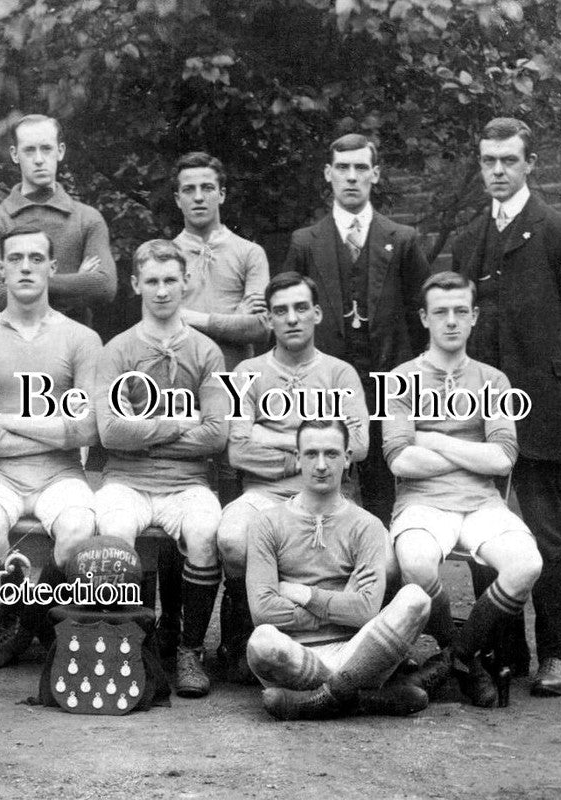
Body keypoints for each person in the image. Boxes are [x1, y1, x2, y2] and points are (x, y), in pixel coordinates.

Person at [451, 117, 561, 697]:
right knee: (485, 537)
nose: (497, 171)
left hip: (540, 405)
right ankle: (504, 650)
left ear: (529, 163)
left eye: (508, 161)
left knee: (546, 535)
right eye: (488, 161)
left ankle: (558, 655)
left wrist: (557, 382)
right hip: (482, 412)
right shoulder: (469, 241)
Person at [384, 271, 542, 708]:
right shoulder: (400, 379)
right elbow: (399, 459)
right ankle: (466, 658)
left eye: (460, 312)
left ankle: (458, 657)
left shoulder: (492, 379)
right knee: (414, 562)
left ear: (473, 317)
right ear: (424, 318)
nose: (450, 321)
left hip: (481, 504)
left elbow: (503, 458)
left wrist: (431, 439)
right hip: (422, 503)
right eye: (440, 312)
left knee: (526, 563)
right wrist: (471, 448)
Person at [0, 227, 103, 664]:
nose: (25, 266)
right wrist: (50, 428)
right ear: (0, 269)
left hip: (61, 475)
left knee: (77, 532)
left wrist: (4, 419)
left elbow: (86, 431)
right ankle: (33, 620)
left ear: (52, 268)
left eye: (36, 258)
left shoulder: (81, 339)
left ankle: (20, 625)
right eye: (15, 258)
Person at [216, 271, 369, 682]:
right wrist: (306, 448)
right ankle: (241, 627)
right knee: (231, 537)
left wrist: (274, 433)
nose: (292, 318)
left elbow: (357, 446)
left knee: (380, 559)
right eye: (280, 311)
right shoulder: (248, 371)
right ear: (268, 320)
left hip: (330, 497)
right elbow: (238, 449)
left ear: (317, 313)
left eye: (301, 308)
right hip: (264, 494)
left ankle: (337, 631)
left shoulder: (340, 374)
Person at [93, 239, 229, 697]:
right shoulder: (118, 350)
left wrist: (144, 430)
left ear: (185, 283)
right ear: (135, 285)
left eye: (171, 280)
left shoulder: (207, 352)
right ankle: (125, 647)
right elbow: (111, 433)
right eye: (151, 281)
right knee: (112, 534)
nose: (162, 290)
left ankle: (190, 649)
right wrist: (175, 423)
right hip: (125, 481)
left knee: (207, 531)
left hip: (186, 484)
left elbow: (216, 434)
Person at [280, 133, 430, 525]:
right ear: (328, 174)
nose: (351, 177)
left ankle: (385, 580)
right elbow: (288, 317)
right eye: (342, 168)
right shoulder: (306, 243)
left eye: (361, 168)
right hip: (324, 385)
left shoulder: (402, 240)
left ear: (375, 174)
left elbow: (421, 320)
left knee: (384, 487)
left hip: (385, 385)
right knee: (322, 481)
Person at [245, 419, 432, 721]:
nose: (321, 465)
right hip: (294, 653)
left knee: (416, 598)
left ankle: (315, 701)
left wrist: (304, 594)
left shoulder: (367, 525)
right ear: (297, 458)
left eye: (331, 454)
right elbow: (263, 612)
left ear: (347, 458)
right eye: (311, 454)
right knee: (261, 641)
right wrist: (340, 605)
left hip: (356, 651)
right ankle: (363, 698)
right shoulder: (266, 523)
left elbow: (366, 611)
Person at [0, 114, 116, 327]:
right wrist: (76, 282)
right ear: (15, 155)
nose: (39, 159)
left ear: (60, 151)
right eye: (29, 150)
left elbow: (104, 287)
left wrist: (21, 284)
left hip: (73, 346)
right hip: (10, 346)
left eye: (46, 148)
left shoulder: (87, 218)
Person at [171, 151, 269, 371]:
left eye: (207, 188)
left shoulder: (250, 252)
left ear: (222, 194)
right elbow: (160, 323)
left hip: (235, 378)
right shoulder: (167, 255)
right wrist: (235, 320)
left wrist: (188, 316)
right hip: (182, 377)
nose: (198, 197)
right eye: (189, 189)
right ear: (178, 199)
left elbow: (260, 329)